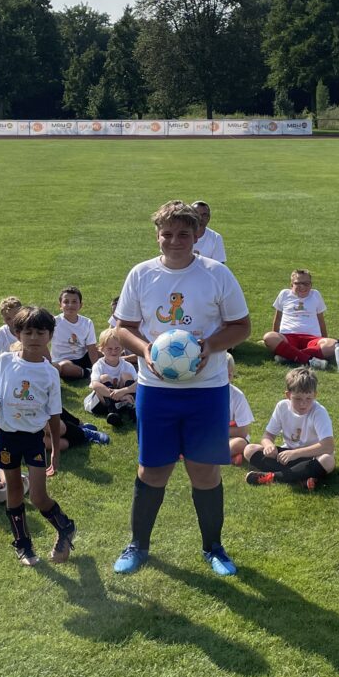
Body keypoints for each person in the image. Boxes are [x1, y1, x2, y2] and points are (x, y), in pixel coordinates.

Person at [111, 200, 250, 577]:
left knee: (204, 472)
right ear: (157, 235)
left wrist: (209, 346)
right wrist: (146, 351)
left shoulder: (217, 274)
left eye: (183, 234)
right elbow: (123, 327)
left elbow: (241, 326)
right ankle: (138, 545)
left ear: (197, 235)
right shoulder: (141, 274)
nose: (175, 241)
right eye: (167, 234)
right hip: (156, 389)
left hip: (207, 390)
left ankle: (213, 548)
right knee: (152, 470)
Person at [0, 305, 78, 566]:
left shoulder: (50, 372)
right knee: (14, 490)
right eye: (28, 332)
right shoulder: (5, 362)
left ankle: (65, 526)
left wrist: (55, 450)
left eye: (40, 333)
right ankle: (23, 544)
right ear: (17, 333)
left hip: (33, 439)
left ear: (50, 335)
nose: (34, 338)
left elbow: (54, 414)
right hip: (7, 437)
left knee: (39, 496)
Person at [243, 366, 336, 489]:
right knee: (249, 449)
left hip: (311, 457)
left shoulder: (319, 412)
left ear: (315, 395)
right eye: (297, 399)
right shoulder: (282, 407)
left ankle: (273, 477)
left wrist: (295, 453)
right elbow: (268, 435)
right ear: (288, 395)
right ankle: (301, 476)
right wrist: (268, 445)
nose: (303, 404)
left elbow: (328, 446)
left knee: (328, 460)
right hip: (286, 455)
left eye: (308, 398)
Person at [262, 268, 338, 367]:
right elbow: (278, 318)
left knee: (334, 344)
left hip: (312, 338)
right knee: (269, 337)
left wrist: (325, 339)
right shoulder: (284, 294)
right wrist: (275, 336)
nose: (302, 286)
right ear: (291, 284)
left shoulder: (315, 294)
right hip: (288, 337)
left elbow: (321, 320)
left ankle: (289, 355)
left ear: (311, 285)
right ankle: (309, 360)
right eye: (298, 283)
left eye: (306, 283)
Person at [86, 328, 138, 425]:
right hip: (103, 403)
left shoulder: (127, 365)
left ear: (122, 348)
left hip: (124, 400)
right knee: (104, 378)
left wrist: (123, 391)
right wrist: (120, 396)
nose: (113, 351)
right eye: (109, 349)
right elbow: (95, 385)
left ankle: (132, 409)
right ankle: (113, 412)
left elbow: (138, 384)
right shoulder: (99, 365)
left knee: (126, 375)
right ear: (101, 349)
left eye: (117, 348)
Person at [53, 286, 100, 381]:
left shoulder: (87, 322)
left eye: (74, 302)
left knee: (104, 353)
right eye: (66, 302)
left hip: (83, 357)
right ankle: (86, 372)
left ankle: (118, 363)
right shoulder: (54, 322)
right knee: (64, 367)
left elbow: (91, 348)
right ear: (60, 305)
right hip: (63, 361)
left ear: (80, 305)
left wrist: (96, 369)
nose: (70, 305)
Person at [227, 361, 254, 466]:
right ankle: (229, 457)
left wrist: (217, 432)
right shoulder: (203, 393)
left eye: (229, 374)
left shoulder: (237, 396)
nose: (227, 377)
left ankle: (203, 455)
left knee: (239, 443)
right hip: (206, 437)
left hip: (229, 438)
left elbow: (243, 431)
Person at [0, 295, 22, 363]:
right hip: (7, 367)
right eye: (8, 319)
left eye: (16, 316)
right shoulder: (1, 333)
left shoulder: (29, 331)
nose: (13, 321)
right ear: (4, 320)